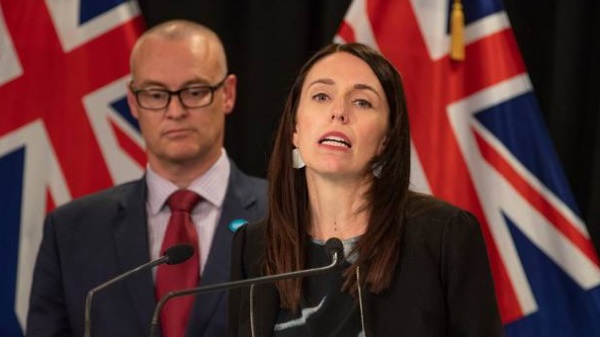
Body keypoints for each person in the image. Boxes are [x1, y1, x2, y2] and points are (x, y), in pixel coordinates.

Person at [227, 42, 503, 337]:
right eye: (321, 96)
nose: (339, 112)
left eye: (362, 102)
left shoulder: (443, 235)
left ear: (386, 138)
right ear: (295, 128)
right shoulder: (253, 246)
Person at [26, 20, 267, 337]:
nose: (175, 110)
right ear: (132, 101)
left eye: (194, 92)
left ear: (228, 94)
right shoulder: (71, 231)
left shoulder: (285, 214)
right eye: (155, 94)